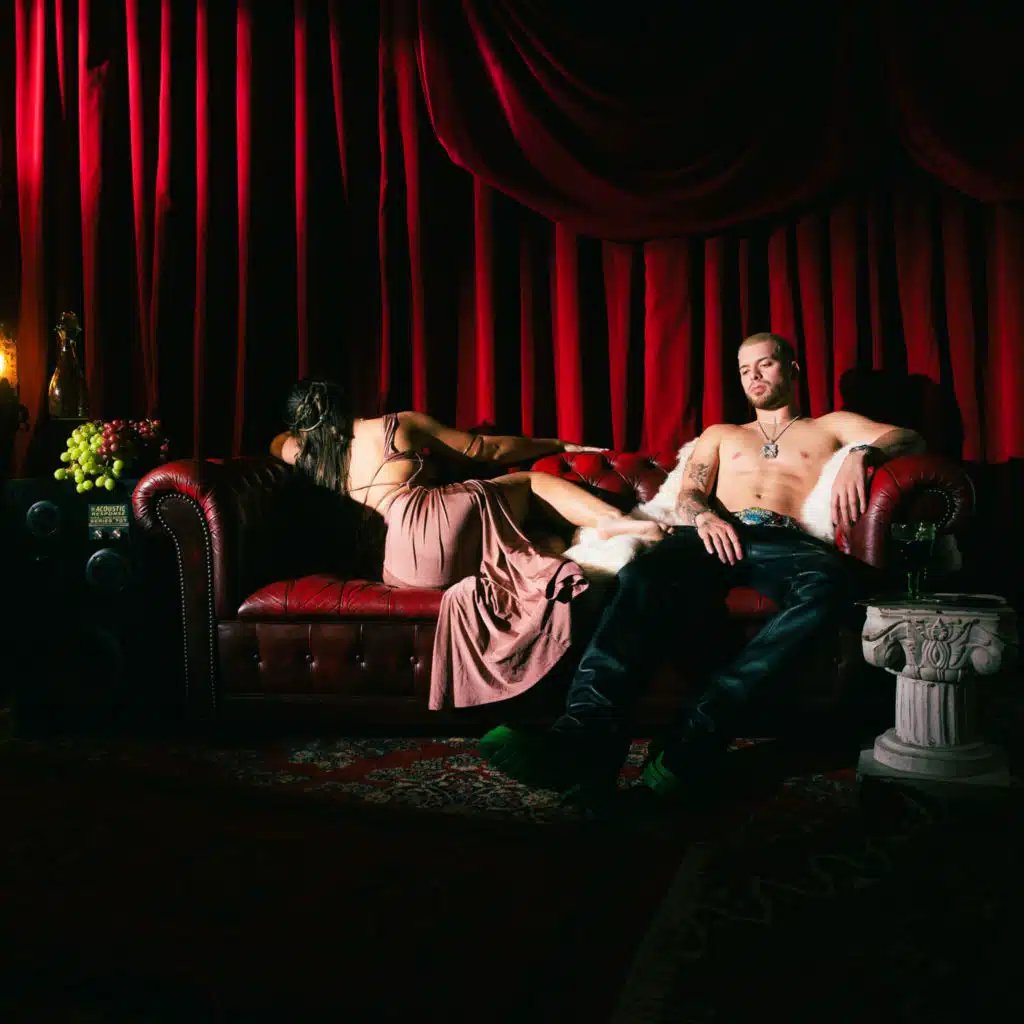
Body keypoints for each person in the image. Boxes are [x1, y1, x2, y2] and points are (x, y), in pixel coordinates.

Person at [480, 332, 925, 806]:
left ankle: (700, 728)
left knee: (831, 583)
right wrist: (704, 516)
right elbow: (691, 491)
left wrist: (863, 453)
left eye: (765, 364)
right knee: (641, 577)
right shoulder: (722, 434)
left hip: (786, 541)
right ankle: (584, 736)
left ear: (792, 369)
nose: (753, 376)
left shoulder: (830, 426)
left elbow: (909, 437)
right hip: (714, 533)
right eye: (744, 369)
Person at [270, 379, 663, 710]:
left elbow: (276, 443)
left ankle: (554, 540)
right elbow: (486, 449)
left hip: (397, 567)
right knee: (530, 483)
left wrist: (308, 436)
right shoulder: (395, 425)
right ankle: (616, 522)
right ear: (347, 401)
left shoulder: (302, 453)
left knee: (535, 537)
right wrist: (557, 443)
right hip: (434, 522)